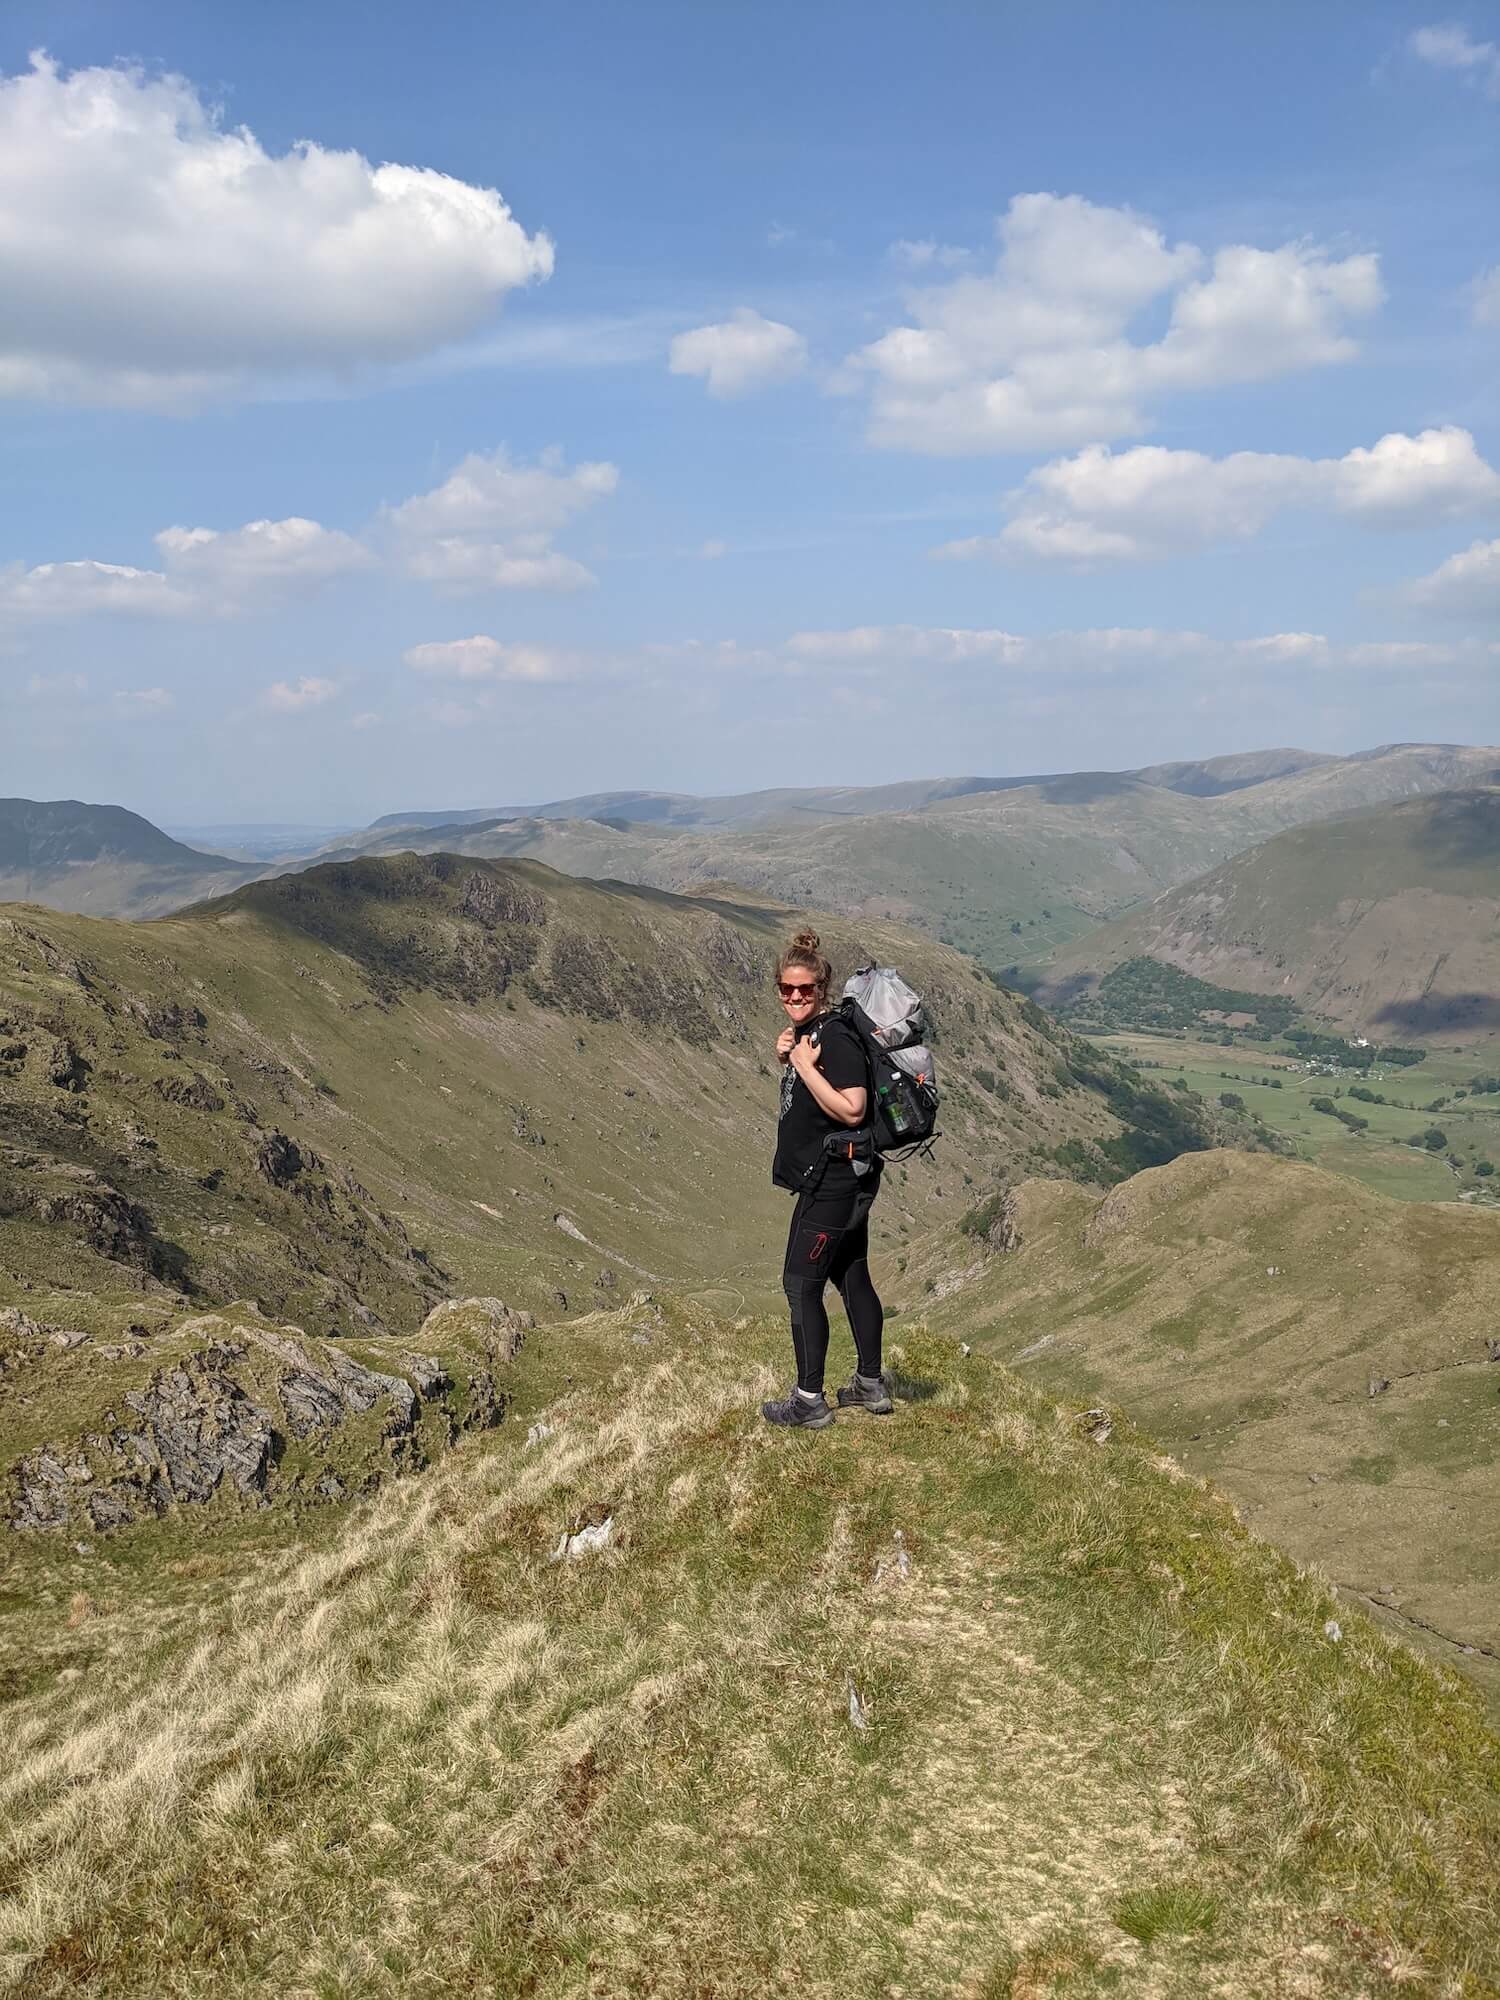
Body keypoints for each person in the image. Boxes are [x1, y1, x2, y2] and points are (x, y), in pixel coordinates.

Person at [762, 928, 893, 1428]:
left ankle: (809, 1401)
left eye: (806, 990)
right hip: (845, 1178)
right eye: (787, 989)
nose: (796, 996)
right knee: (851, 1273)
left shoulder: (834, 1036)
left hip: (833, 1184)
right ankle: (869, 1384)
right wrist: (790, 1054)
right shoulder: (812, 1034)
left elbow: (854, 1107)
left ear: (823, 988)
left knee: (800, 1284)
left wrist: (803, 1065)